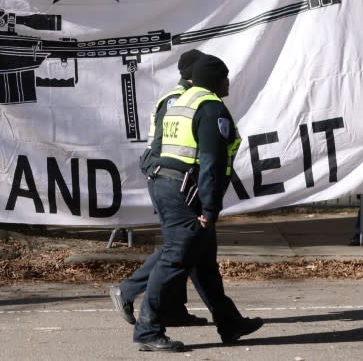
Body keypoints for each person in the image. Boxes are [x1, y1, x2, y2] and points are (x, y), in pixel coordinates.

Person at [132, 55, 263, 352]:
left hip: (166, 184)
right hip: (183, 191)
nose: (229, 82)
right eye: (225, 77)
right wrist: (209, 209)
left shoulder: (180, 101)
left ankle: (230, 323)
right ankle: (147, 330)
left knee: (204, 264)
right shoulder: (211, 107)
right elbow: (211, 163)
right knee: (175, 259)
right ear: (215, 81)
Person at [110, 49, 209, 327]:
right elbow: (168, 148)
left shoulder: (180, 97)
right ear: (193, 75)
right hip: (174, 182)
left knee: (181, 247)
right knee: (179, 247)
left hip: (175, 181)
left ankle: (173, 309)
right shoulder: (179, 100)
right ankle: (127, 290)